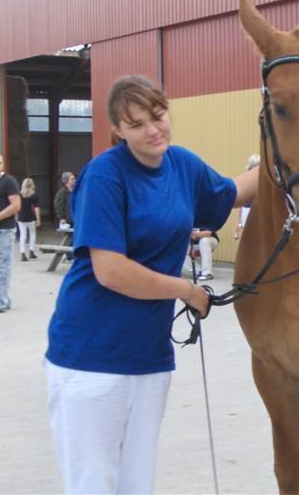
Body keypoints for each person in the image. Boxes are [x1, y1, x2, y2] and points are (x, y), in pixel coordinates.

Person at [44, 75, 259, 494]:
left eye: (158, 116)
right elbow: (111, 271)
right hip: (90, 358)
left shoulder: (182, 165)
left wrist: (293, 162)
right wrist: (188, 291)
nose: (152, 129)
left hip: (148, 356)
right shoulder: (105, 176)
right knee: (93, 485)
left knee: (136, 484)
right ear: (118, 131)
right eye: (137, 124)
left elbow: (233, 191)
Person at [0, 155, 22, 313]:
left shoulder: (9, 181)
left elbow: (16, 205)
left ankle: (1, 301)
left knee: (2, 266)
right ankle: (3, 298)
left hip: (4, 230)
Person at [234, 153, 260, 240]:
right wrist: (238, 222)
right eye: (255, 166)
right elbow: (241, 203)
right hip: (247, 211)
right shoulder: (247, 180)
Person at [17, 177, 41, 261]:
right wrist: (38, 218)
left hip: (21, 217)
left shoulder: (19, 195)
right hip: (30, 217)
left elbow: (17, 206)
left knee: (23, 234)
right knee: (32, 233)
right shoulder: (34, 195)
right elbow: (36, 208)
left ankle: (22, 253)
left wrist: (16, 216)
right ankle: (31, 251)